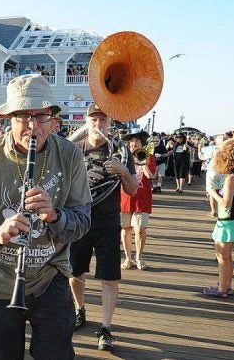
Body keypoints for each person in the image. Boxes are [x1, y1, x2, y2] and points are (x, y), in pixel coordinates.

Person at [0, 74, 91, 359]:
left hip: (51, 276)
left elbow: (82, 222)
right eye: (23, 116)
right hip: (0, 281)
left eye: (41, 116)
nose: (33, 126)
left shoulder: (70, 155)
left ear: (52, 118)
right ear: (8, 117)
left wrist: (54, 215)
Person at [71, 103, 137, 352]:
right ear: (86, 122)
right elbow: (61, 188)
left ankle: (106, 327)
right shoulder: (74, 149)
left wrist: (122, 171)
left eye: (103, 121)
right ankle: (80, 309)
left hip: (109, 223)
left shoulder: (120, 152)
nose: (98, 125)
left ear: (109, 124)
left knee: (109, 279)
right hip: (80, 220)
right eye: (94, 120)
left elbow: (132, 189)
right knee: (75, 273)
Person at [203, 143, 234, 298]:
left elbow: (226, 203)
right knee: (228, 257)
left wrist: (212, 193)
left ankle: (222, 289)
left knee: (222, 257)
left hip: (226, 221)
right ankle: (227, 285)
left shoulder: (231, 178)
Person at [120, 131, 155, 271]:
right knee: (125, 229)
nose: (133, 144)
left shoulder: (149, 157)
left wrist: (143, 160)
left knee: (140, 229)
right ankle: (128, 258)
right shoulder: (123, 157)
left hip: (142, 199)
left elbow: (149, 175)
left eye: (136, 141)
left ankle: (139, 257)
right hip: (125, 198)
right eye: (131, 142)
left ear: (142, 143)